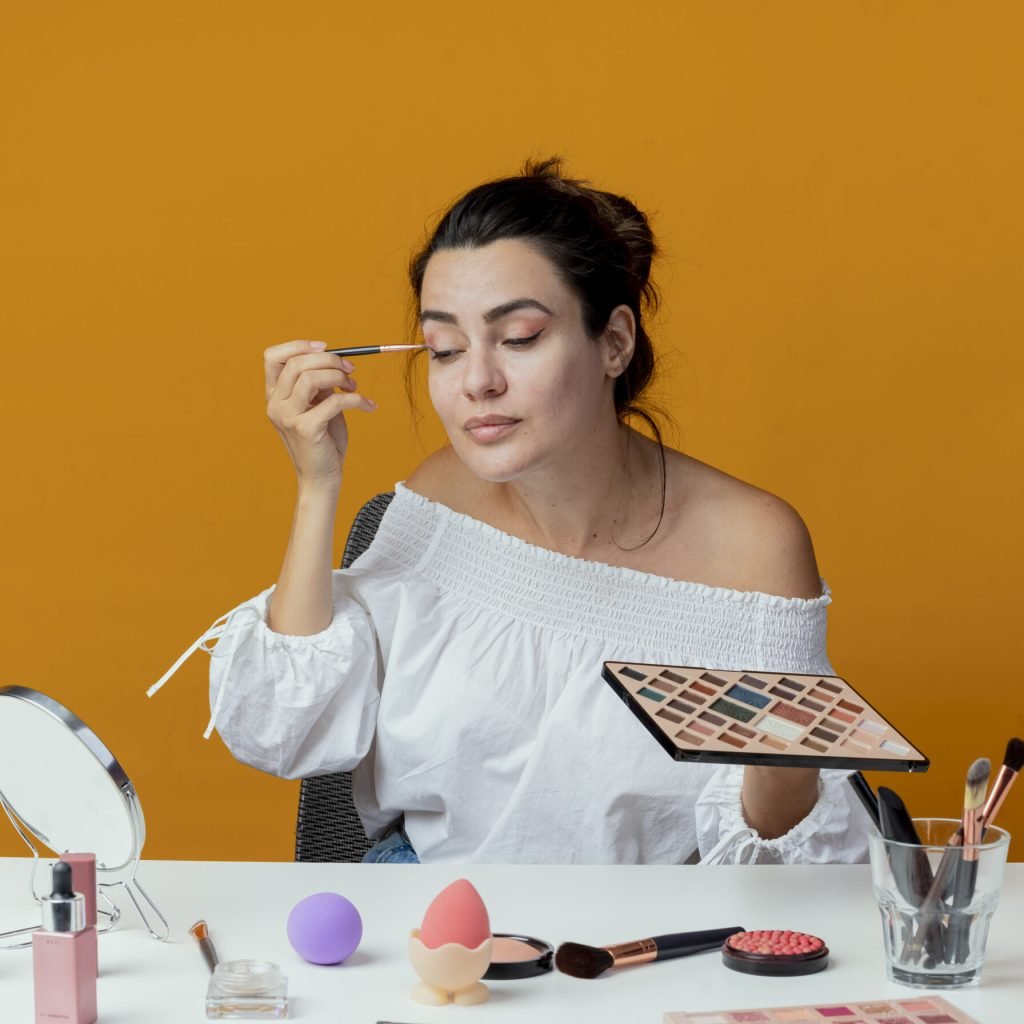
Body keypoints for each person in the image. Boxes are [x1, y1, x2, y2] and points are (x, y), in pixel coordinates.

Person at [195, 158, 871, 864]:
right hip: (435, 939)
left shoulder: (754, 548)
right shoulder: (434, 505)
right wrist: (316, 488)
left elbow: (796, 865)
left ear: (614, 341)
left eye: (519, 338)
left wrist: (782, 756)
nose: (478, 382)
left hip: (650, 949)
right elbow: (287, 729)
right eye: (445, 349)